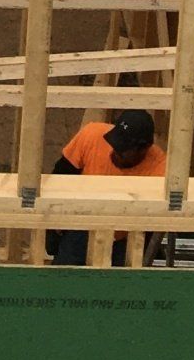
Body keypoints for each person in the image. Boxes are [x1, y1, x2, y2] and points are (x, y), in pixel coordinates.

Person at [46, 109, 165, 267]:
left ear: (143, 149)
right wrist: (54, 224)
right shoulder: (92, 135)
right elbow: (60, 176)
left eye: (123, 150)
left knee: (118, 285)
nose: (115, 152)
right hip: (82, 225)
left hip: (126, 236)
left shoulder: (160, 169)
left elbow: (156, 219)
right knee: (64, 276)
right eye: (114, 144)